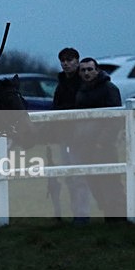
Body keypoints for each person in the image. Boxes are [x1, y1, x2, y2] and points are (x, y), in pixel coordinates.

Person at [72, 57, 126, 222]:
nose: (87, 73)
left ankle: (119, 218)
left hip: (103, 146)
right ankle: (108, 215)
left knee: (110, 182)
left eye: (90, 69)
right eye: (83, 70)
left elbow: (115, 118)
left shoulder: (109, 88)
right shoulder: (81, 90)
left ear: (97, 70)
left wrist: (102, 142)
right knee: (94, 183)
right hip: (84, 146)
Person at [51, 47, 92, 224]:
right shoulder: (61, 85)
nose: (66, 63)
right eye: (63, 60)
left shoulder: (83, 83)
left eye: (69, 59)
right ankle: (77, 212)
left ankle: (82, 214)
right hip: (65, 135)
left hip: (83, 137)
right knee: (70, 176)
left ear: (77, 60)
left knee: (80, 177)